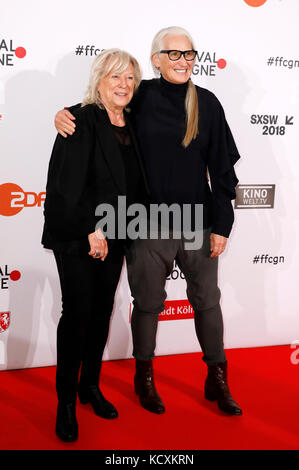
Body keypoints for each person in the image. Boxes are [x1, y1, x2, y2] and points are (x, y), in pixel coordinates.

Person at [54, 26, 242, 416]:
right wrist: (65, 114)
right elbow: (104, 105)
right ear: (156, 59)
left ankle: (217, 378)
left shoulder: (207, 103)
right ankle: (144, 377)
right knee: (148, 304)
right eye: (173, 54)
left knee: (207, 302)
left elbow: (223, 171)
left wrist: (222, 224)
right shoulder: (139, 96)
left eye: (188, 54)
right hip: (145, 223)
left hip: (197, 222)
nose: (182, 61)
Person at [42, 48, 148, 442]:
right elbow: (65, 184)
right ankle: (66, 402)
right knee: (78, 313)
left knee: (102, 310)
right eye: (115, 77)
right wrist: (92, 229)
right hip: (78, 234)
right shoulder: (80, 119)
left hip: (119, 233)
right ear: (98, 80)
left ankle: (90, 387)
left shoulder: (134, 121)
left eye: (130, 78)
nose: (123, 85)